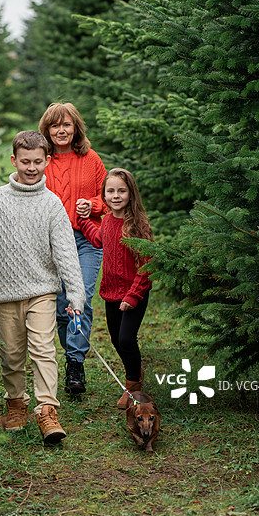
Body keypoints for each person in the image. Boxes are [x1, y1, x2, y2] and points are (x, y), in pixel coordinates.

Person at [0, 130, 86, 444]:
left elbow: (65, 251)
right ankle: (16, 401)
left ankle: (47, 409)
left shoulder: (51, 204)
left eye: (38, 161)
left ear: (47, 161)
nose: (32, 167)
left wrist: (75, 292)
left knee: (43, 351)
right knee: (11, 354)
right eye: (25, 161)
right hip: (5, 293)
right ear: (14, 160)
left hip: (42, 291)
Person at [38, 102, 108, 396]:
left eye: (67, 124)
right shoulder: (42, 161)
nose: (61, 130)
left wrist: (91, 204)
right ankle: (71, 353)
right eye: (55, 125)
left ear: (76, 127)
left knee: (82, 298)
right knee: (60, 305)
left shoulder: (91, 159)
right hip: (51, 242)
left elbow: (109, 198)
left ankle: (75, 363)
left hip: (85, 240)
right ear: (47, 130)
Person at [77, 168, 153, 409]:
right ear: (104, 195)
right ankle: (135, 369)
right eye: (110, 191)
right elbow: (99, 238)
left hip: (134, 294)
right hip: (111, 293)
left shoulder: (138, 225)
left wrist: (132, 296)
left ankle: (133, 388)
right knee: (115, 340)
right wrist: (82, 221)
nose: (116, 195)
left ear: (131, 194)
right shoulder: (108, 220)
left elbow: (147, 265)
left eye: (122, 190)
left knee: (126, 339)